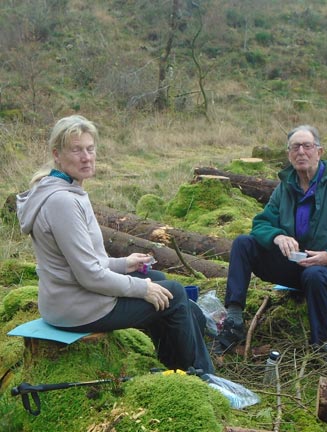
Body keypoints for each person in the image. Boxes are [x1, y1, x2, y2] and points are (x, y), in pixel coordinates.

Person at [16, 115, 214, 374]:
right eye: (76, 150)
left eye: (90, 148)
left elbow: (79, 262)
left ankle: (170, 365)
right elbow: (89, 275)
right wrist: (141, 289)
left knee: (157, 278)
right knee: (174, 294)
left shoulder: (63, 189)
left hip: (69, 297)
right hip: (77, 307)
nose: (86, 157)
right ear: (57, 154)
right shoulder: (62, 202)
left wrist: (124, 264)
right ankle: (201, 377)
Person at [217, 125, 327, 361]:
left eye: (307, 146)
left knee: (316, 275)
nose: (301, 152)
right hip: (295, 266)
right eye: (295, 147)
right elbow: (261, 223)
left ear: (319, 151)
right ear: (289, 154)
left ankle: (320, 347)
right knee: (243, 243)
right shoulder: (286, 186)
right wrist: (277, 236)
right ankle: (234, 318)